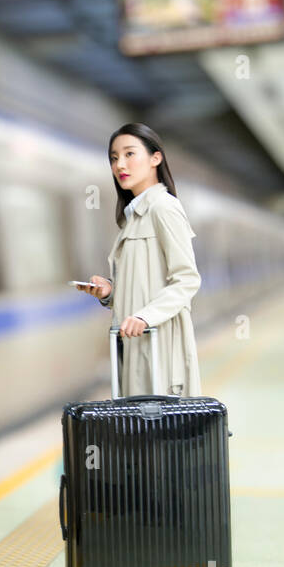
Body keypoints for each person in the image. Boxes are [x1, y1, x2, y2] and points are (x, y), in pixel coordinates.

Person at [76, 123, 202, 398]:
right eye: (113, 157)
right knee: (140, 432)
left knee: (159, 433)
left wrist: (146, 316)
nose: (120, 164)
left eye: (130, 154)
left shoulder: (163, 208)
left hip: (161, 347)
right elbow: (144, 283)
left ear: (156, 158)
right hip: (138, 343)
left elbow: (187, 279)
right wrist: (110, 291)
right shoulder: (133, 216)